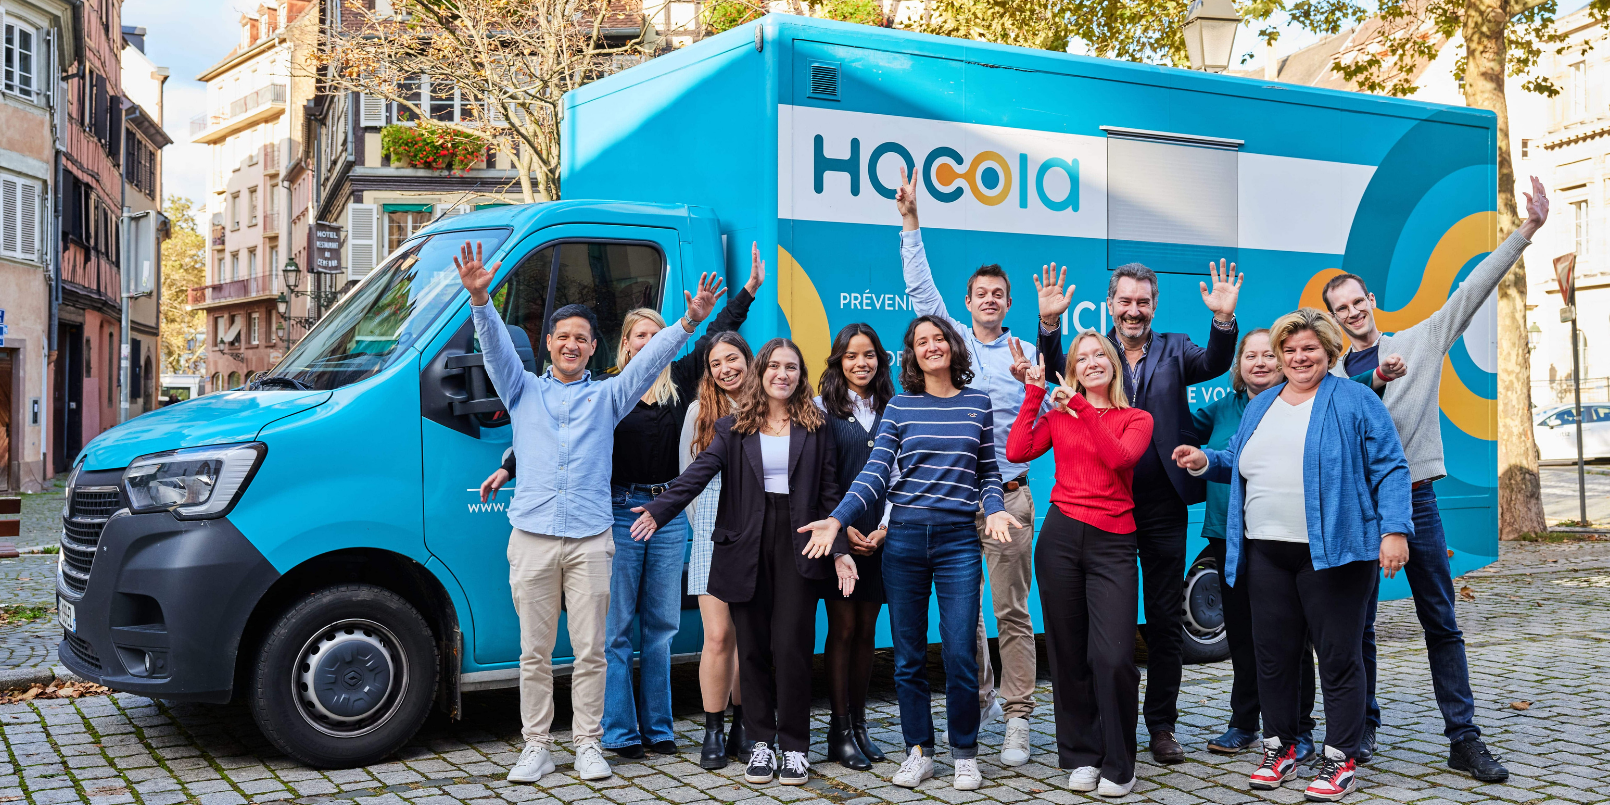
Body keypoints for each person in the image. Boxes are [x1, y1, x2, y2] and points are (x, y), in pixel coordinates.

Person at [453, 241, 725, 785]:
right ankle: (535, 746)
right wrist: (481, 302)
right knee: (533, 653)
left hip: (590, 540)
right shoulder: (521, 389)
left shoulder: (609, 397)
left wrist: (689, 323)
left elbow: (649, 361)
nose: (571, 344)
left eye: (581, 337)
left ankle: (587, 744)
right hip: (532, 536)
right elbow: (495, 350)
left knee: (592, 652)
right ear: (549, 344)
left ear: (594, 347)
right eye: (563, 337)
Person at [1318, 178, 1550, 781]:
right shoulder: (1333, 378)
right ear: (1334, 319)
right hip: (1360, 509)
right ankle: (1362, 726)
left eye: (1358, 302)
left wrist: (1526, 230)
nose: (1353, 312)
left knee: (1441, 622)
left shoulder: (1419, 342)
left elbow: (1472, 288)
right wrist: (1375, 382)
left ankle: (1463, 738)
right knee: (1358, 626)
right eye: (1342, 309)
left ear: (1371, 300)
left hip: (1418, 502)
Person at [1172, 308, 1413, 803]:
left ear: (1329, 351)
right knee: (1274, 656)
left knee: (1338, 657)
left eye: (1309, 348)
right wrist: (1204, 461)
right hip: (1265, 552)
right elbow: (1238, 458)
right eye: (1290, 350)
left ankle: (1340, 757)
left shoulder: (1355, 400)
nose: (1299, 357)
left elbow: (1391, 466)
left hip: (1335, 553)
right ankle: (1279, 746)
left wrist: (1394, 530)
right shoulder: (1263, 405)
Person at [800, 314, 1023, 792]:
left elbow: (988, 472)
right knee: (907, 656)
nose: (931, 346)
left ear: (953, 346)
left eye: (939, 338)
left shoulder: (977, 403)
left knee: (960, 651)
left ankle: (964, 753)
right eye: (922, 341)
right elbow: (875, 473)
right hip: (902, 540)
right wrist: (837, 519)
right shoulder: (900, 406)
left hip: (958, 541)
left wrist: (995, 509)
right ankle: (918, 750)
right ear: (912, 354)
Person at [1036, 259, 1240, 763]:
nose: (1133, 310)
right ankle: (1108, 722)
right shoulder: (1096, 351)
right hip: (1107, 506)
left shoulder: (1176, 348)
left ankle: (1162, 726)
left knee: (1165, 617)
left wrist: (1222, 319)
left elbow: (1216, 363)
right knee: (1108, 623)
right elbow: (1057, 367)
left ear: (1154, 305)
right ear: (1110, 304)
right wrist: (1049, 323)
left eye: (1142, 302)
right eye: (1124, 301)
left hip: (1162, 502)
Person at [630, 338, 856, 787]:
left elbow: (831, 492)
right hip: (743, 546)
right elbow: (696, 475)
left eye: (791, 367)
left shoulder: (816, 427)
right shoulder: (733, 428)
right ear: (761, 372)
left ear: (800, 376)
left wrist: (840, 549)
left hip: (800, 542)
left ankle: (795, 748)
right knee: (750, 650)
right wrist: (659, 510)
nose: (782, 374)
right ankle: (761, 744)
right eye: (774, 366)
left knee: (792, 648)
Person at [892, 169, 1039, 767]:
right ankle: (975, 705)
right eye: (981, 293)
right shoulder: (951, 338)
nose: (989, 300)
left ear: (1008, 303)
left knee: (1011, 612)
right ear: (969, 301)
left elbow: (1043, 423)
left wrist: (1033, 386)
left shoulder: (1025, 352)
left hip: (1009, 497)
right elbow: (920, 287)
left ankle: (1019, 717)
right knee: (965, 621)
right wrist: (910, 220)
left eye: (999, 294)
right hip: (954, 504)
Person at [599, 245, 763, 761]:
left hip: (668, 517)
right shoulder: (609, 390)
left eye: (658, 335)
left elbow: (721, 339)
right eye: (640, 336)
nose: (650, 343)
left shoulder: (681, 383)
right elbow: (563, 427)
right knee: (617, 631)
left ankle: (660, 728)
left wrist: (747, 292)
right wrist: (511, 463)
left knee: (662, 629)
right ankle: (620, 733)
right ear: (626, 345)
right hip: (621, 512)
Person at [1004, 333, 1152, 798]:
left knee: (1113, 657)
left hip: (1114, 541)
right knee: (1068, 655)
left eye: (1098, 355)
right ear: (1071, 371)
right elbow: (1016, 451)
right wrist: (1034, 392)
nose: (1091, 363)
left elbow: (1119, 457)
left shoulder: (1136, 418)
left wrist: (1082, 407)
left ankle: (1120, 763)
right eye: (1080, 358)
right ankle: (1082, 755)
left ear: (1113, 363)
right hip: (1061, 538)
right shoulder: (1058, 417)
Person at [815, 323, 899, 770]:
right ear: (838, 361)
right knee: (843, 628)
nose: (860, 363)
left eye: (868, 355)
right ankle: (839, 729)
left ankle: (861, 725)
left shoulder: (895, 407)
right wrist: (840, 529)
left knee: (868, 630)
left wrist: (884, 527)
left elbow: (900, 475)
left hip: (881, 537)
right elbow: (821, 478)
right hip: (839, 538)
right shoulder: (820, 409)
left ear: (880, 360)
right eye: (851, 355)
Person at [680, 331, 755, 769]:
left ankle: (744, 724)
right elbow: (687, 480)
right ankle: (713, 729)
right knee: (718, 636)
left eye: (732, 359)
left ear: (748, 359)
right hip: (712, 533)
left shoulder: (767, 406)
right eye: (716, 364)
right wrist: (707, 529)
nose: (726, 369)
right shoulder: (700, 412)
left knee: (748, 637)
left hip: (758, 534)